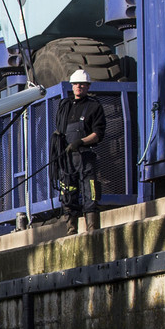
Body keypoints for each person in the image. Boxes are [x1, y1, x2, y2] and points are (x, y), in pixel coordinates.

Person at [51, 69, 106, 234]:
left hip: (85, 156)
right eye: (75, 84)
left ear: (88, 86)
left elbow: (98, 134)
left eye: (82, 84)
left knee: (90, 191)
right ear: (72, 86)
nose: (78, 87)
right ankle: (71, 228)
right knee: (68, 192)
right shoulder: (65, 106)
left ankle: (91, 229)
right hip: (67, 159)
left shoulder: (94, 107)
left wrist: (81, 142)